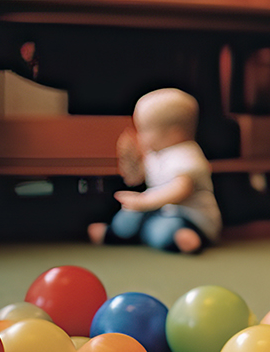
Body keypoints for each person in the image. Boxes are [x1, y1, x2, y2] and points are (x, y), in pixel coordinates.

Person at [87, 88, 221, 254]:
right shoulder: (156, 154)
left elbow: (181, 189)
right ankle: (114, 233)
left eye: (144, 130)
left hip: (191, 218)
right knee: (129, 214)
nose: (140, 136)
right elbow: (135, 179)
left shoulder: (186, 153)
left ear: (174, 133)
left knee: (162, 228)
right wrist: (131, 160)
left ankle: (183, 237)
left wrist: (145, 202)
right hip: (161, 210)